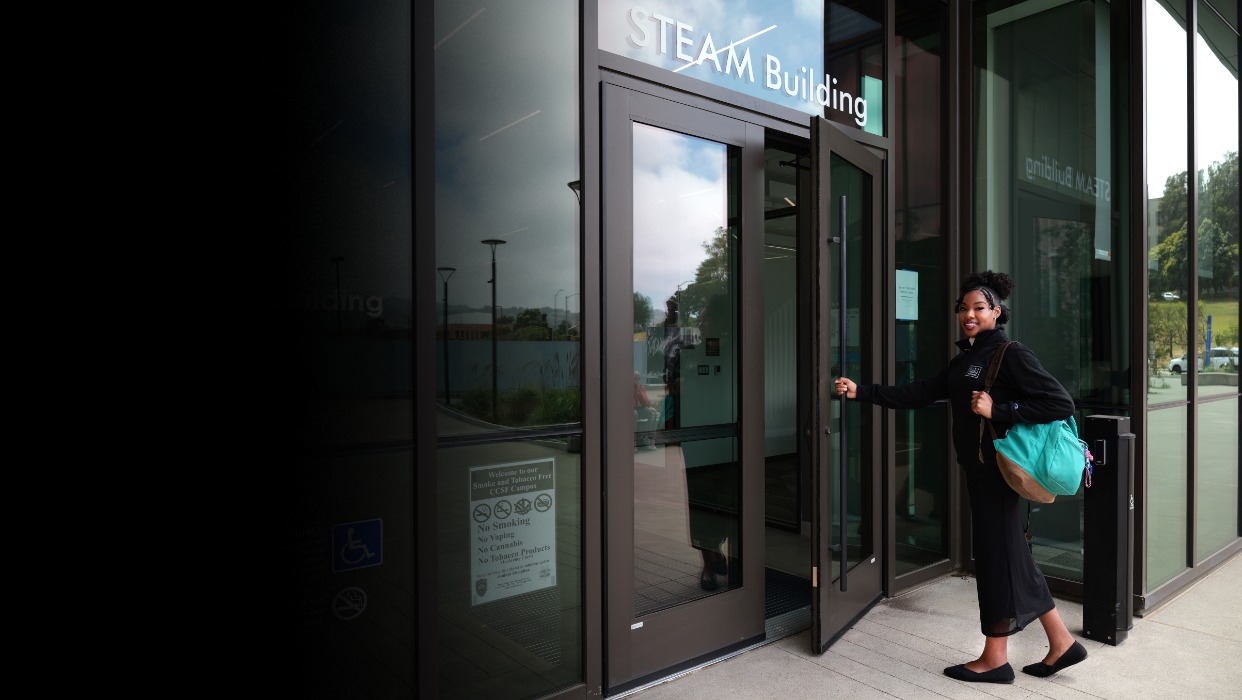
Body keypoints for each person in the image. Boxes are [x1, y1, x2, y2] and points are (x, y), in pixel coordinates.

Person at [835, 271, 1088, 684]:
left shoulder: (1010, 353)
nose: (969, 315)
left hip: (998, 472)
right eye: (964, 308)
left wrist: (1000, 412)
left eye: (979, 308)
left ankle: (995, 658)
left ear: (996, 312)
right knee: (1012, 556)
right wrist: (863, 391)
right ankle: (1061, 643)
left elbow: (1060, 402)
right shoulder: (966, 358)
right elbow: (921, 392)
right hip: (980, 470)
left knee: (994, 560)